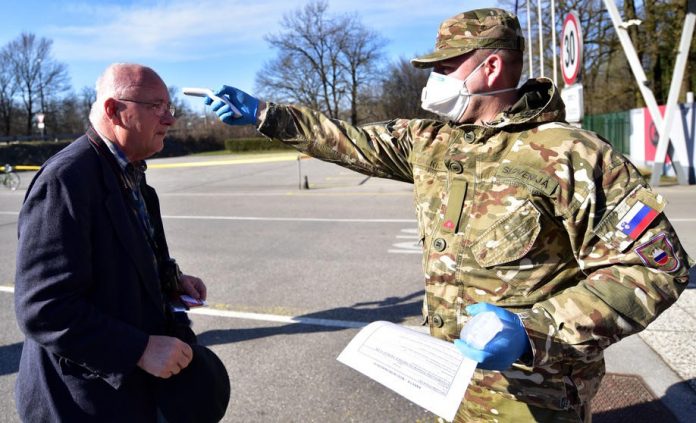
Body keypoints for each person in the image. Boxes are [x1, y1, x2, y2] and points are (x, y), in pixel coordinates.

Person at [203, 7, 694, 422]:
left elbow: (654, 268)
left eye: (446, 67)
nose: (434, 81)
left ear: (493, 68)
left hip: (534, 399)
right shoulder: (432, 143)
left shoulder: (572, 154)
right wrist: (268, 115)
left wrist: (534, 329)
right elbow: (347, 140)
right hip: (449, 384)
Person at [14, 63, 209, 422]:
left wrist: (170, 278)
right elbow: (42, 307)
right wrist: (138, 349)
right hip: (80, 402)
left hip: (131, 396)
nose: (170, 119)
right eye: (157, 107)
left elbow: (132, 257)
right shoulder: (66, 180)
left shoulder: (134, 177)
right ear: (113, 110)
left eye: (170, 107)